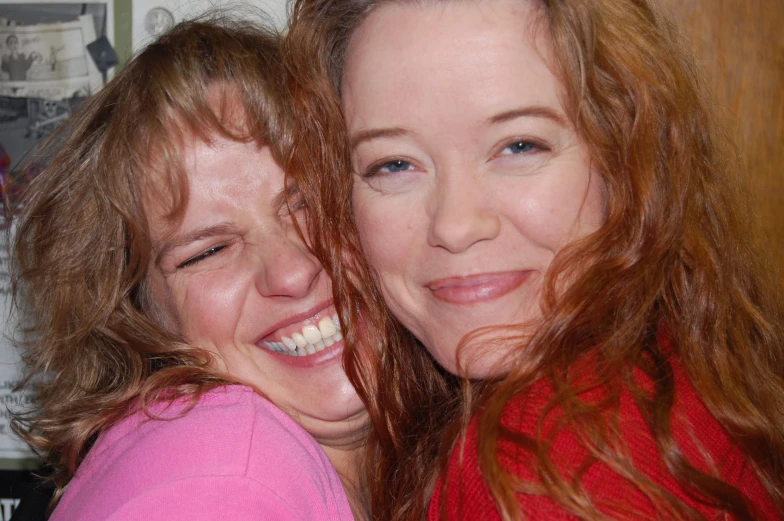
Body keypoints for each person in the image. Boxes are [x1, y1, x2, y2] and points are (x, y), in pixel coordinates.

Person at [282, 0, 784, 519]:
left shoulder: (536, 474)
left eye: (520, 146)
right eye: (393, 164)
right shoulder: (683, 373)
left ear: (627, 157)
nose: (454, 225)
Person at [10, 18, 365, 521]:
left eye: (309, 203)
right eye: (207, 252)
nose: (292, 272)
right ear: (139, 320)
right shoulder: (217, 477)